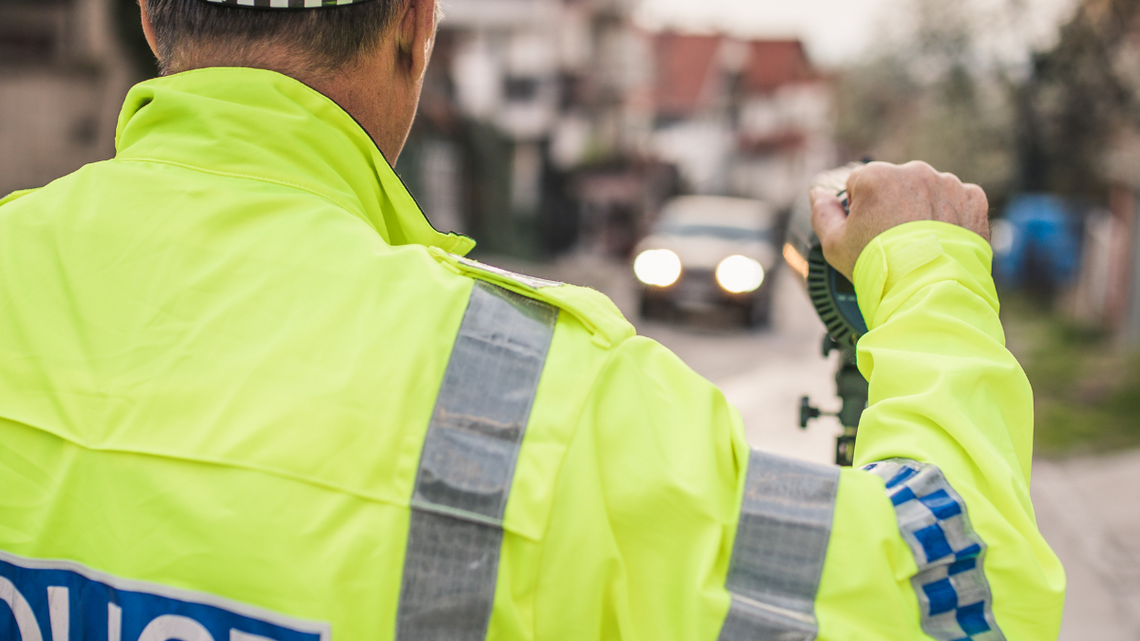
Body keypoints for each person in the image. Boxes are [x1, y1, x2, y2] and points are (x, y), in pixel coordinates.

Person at [0, 0, 1064, 639]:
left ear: (148, 17)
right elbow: (954, 595)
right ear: (415, 31)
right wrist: (931, 271)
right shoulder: (534, 397)